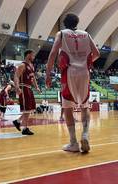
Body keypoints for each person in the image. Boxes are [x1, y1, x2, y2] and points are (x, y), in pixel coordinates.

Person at [46, 13, 100, 153]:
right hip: (84, 72)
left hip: (69, 71)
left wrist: (48, 74)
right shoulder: (86, 34)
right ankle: (86, 134)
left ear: (64, 23)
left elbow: (52, 54)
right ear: (77, 22)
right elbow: (97, 53)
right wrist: (85, 62)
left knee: (68, 107)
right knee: (85, 105)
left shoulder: (62, 33)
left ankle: (73, 143)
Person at [13, 50, 41, 135]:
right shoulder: (22, 65)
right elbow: (16, 76)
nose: (34, 57)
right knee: (27, 109)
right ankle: (24, 128)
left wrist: (37, 87)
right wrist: (17, 87)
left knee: (30, 109)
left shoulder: (31, 66)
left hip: (29, 88)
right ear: (28, 55)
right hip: (23, 87)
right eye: (33, 55)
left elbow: (33, 78)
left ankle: (18, 121)